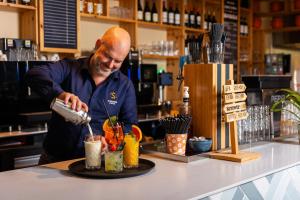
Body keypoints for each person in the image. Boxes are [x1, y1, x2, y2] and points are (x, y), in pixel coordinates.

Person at [25, 27, 138, 164]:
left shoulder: (124, 86)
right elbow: (34, 74)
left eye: (118, 61)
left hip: (98, 163)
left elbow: (128, 126)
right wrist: (60, 94)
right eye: (108, 56)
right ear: (98, 45)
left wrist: (109, 140)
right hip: (55, 161)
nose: (110, 65)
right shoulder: (69, 68)